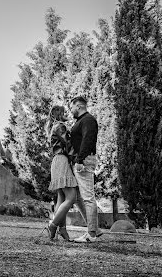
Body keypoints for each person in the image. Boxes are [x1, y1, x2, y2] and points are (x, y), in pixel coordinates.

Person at [44, 105, 81, 241]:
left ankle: (62, 229)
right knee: (71, 197)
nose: (66, 114)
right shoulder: (60, 126)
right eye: (64, 112)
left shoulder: (54, 127)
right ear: (58, 114)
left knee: (61, 197)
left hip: (57, 161)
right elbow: (68, 144)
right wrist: (77, 159)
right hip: (62, 161)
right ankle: (53, 226)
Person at [69, 96, 99, 243]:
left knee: (87, 197)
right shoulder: (82, 121)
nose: (71, 111)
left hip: (84, 160)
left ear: (79, 106)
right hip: (82, 159)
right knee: (78, 197)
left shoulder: (87, 120)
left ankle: (91, 234)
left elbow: (88, 139)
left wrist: (80, 160)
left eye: (72, 108)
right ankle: (94, 229)